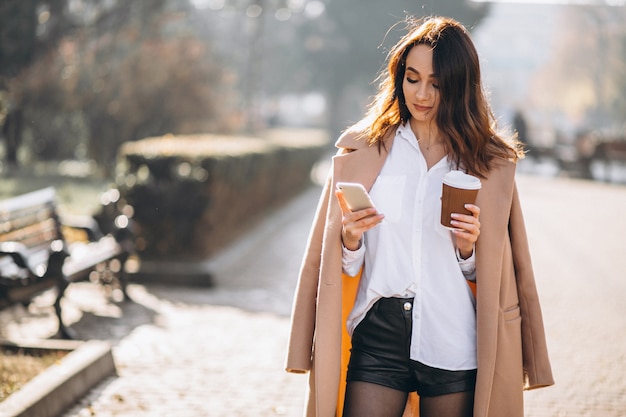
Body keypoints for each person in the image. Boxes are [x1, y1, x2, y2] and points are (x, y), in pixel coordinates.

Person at [285, 16, 554, 417]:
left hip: (453, 337)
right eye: (412, 78)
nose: (422, 94)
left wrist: (467, 250)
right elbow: (340, 262)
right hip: (378, 332)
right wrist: (351, 240)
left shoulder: (488, 165)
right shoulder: (364, 152)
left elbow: (502, 274)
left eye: (437, 83)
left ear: (460, 87)